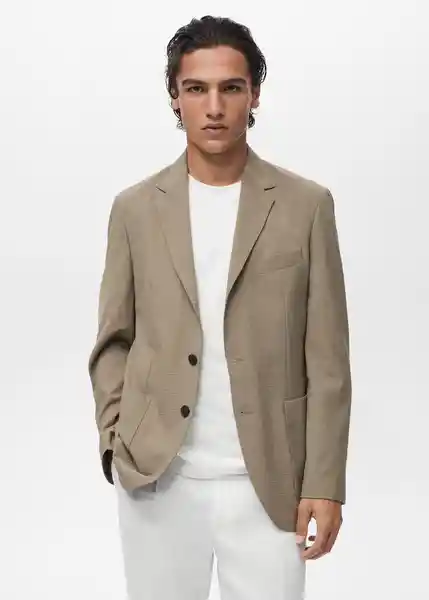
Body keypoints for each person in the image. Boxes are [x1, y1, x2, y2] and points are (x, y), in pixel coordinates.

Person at [88, 14, 352, 600]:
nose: (214, 107)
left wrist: (325, 480)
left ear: (254, 94)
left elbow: (328, 360)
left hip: (270, 483)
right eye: (196, 88)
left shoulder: (306, 206)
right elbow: (113, 341)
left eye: (231, 88)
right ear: (174, 97)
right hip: (158, 480)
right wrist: (116, 444)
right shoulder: (135, 209)